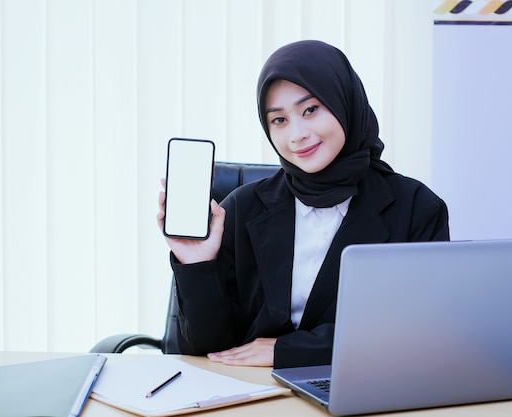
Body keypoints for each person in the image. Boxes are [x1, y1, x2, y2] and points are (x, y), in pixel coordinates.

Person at [157, 40, 450, 369]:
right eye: (279, 120)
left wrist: (290, 350)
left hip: (363, 387)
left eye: (310, 110)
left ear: (344, 102)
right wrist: (197, 263)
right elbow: (204, 349)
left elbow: (416, 334)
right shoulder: (241, 208)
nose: (296, 135)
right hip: (253, 393)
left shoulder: (416, 209)